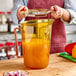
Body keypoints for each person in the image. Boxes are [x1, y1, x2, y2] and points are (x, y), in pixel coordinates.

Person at [12, 0, 76, 53]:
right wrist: (19, 13)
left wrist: (62, 12)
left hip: (57, 47)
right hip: (30, 47)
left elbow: (73, 13)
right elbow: (15, 15)